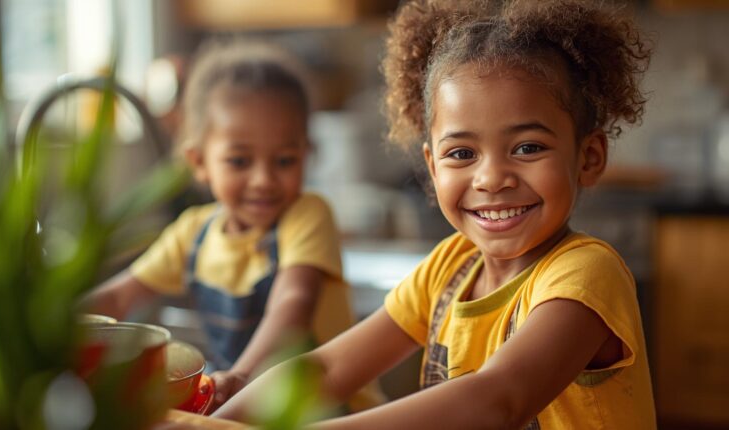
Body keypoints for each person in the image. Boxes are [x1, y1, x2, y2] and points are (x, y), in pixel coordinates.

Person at [212, 0, 657, 428]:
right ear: (431, 166)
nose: (491, 178)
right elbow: (327, 370)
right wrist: (217, 422)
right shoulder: (449, 268)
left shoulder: (586, 273)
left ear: (589, 157)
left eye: (527, 148)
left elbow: (499, 399)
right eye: (462, 153)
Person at [82, 40, 384, 413]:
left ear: (307, 154)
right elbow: (118, 297)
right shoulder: (192, 233)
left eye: (285, 160)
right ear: (199, 161)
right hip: (254, 409)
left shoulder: (307, 215)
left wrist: (241, 375)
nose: (263, 180)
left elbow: (292, 305)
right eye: (240, 161)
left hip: (336, 413)